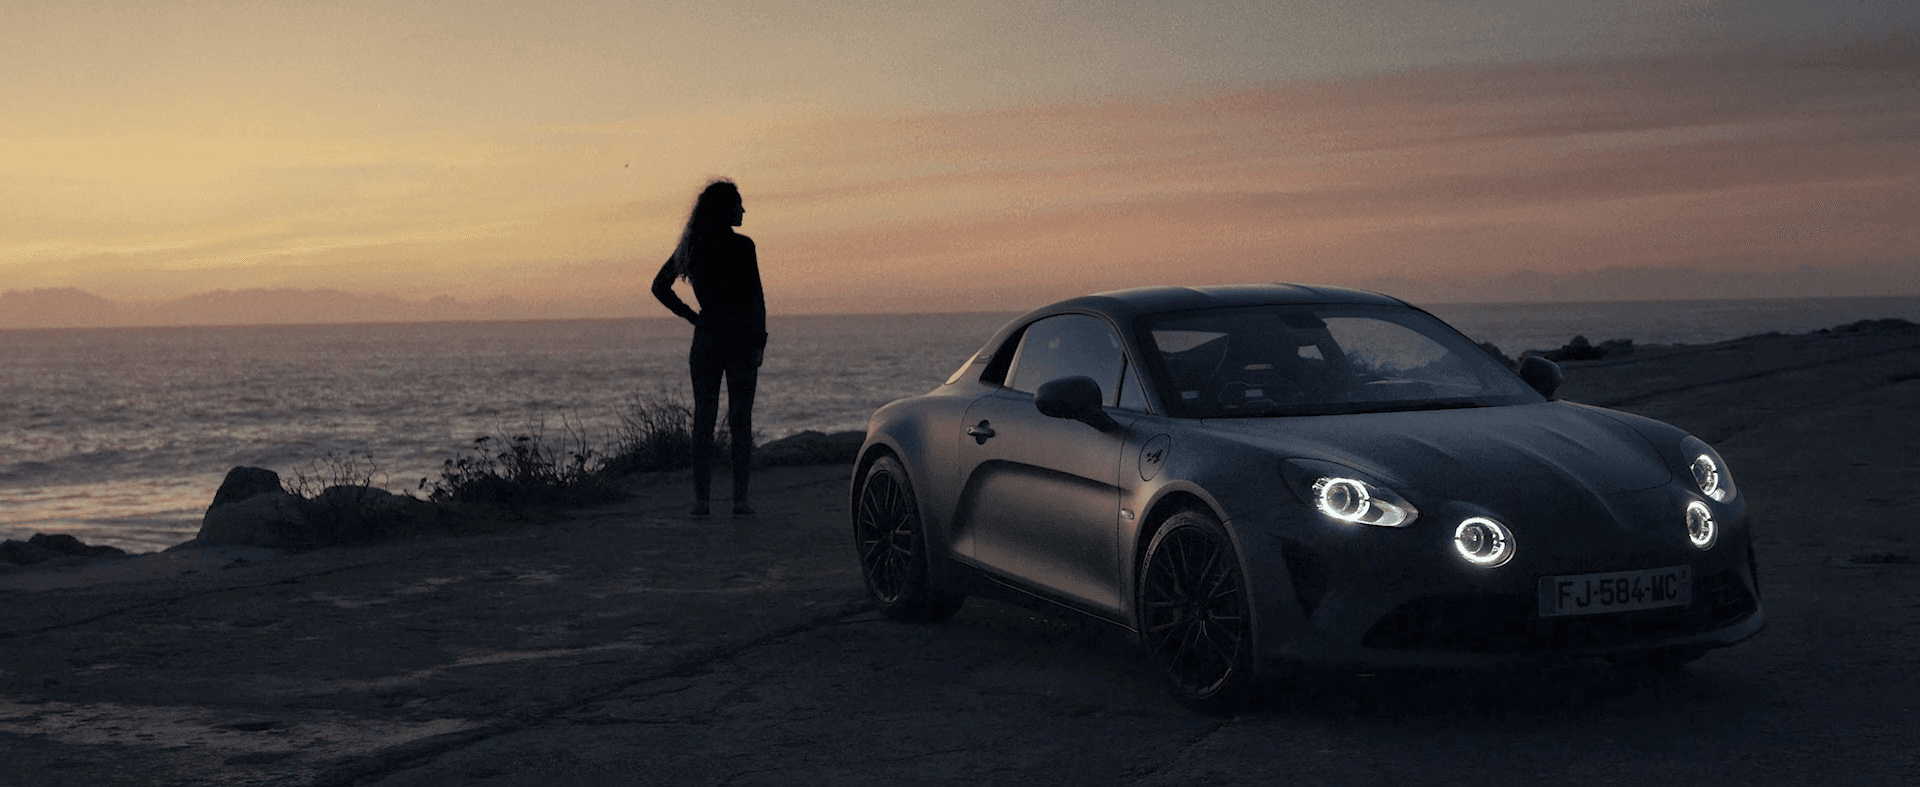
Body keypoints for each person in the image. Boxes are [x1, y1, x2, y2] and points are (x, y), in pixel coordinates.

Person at [651, 179, 767, 518]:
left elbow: (659, 286)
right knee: (739, 421)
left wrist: (693, 317)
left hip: (708, 338)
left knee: (704, 420)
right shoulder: (743, 247)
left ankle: (702, 502)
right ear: (724, 208)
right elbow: (756, 298)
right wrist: (759, 341)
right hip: (740, 340)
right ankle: (739, 501)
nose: (743, 210)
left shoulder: (694, 246)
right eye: (738, 204)